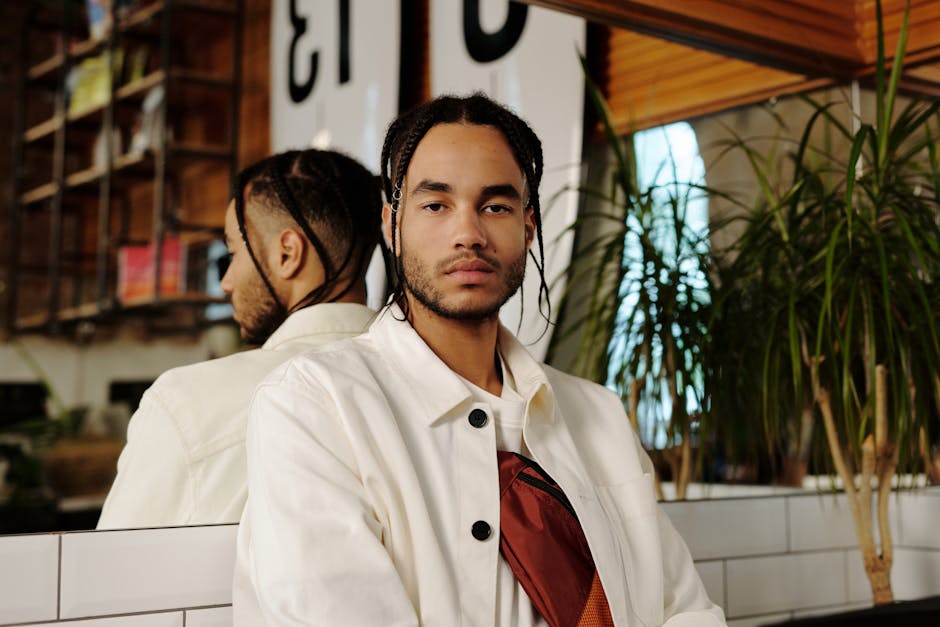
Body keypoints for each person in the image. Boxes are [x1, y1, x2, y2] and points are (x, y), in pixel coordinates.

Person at [233, 94, 726, 626]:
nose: (468, 233)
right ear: (392, 225)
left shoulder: (597, 415)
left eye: (495, 206)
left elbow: (684, 609)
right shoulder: (315, 406)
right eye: (436, 205)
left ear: (528, 225)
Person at [97, 149, 382, 529]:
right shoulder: (434, 381)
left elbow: (108, 576)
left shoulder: (187, 404)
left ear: (287, 253)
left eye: (232, 253)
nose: (227, 282)